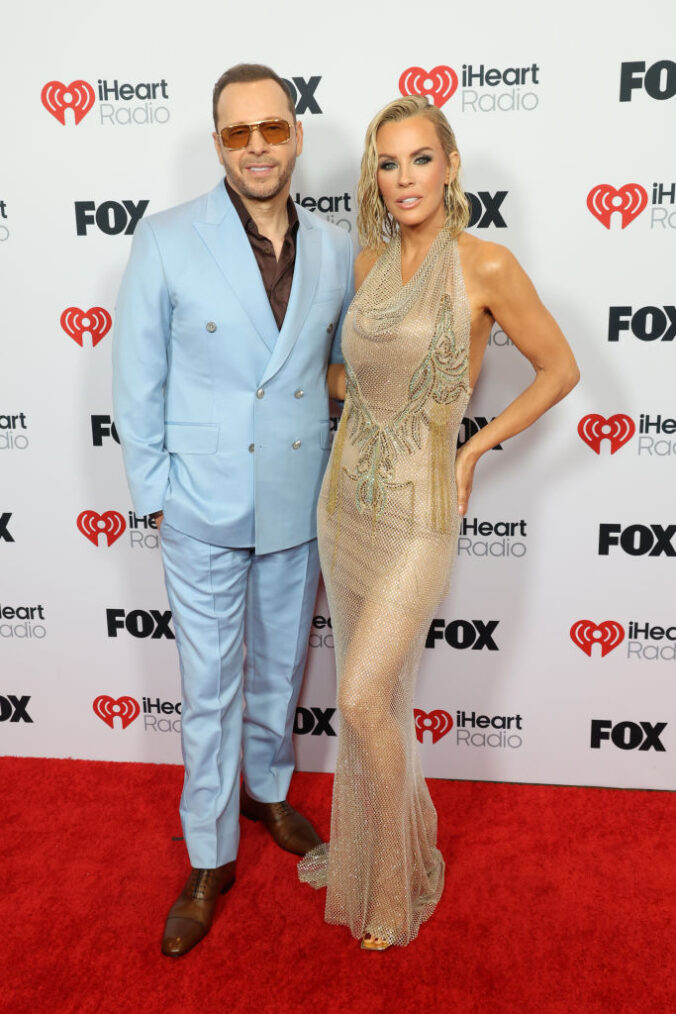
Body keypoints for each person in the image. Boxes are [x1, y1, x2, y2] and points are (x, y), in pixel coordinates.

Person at [298, 95, 579, 950]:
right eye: (388, 163)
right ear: (374, 178)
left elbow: (559, 369)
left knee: (359, 698)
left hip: (420, 514)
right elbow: (351, 374)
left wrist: (471, 448)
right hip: (345, 502)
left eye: (421, 158)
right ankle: (380, 849)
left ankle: (396, 880)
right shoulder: (369, 261)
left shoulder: (486, 265)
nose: (404, 177)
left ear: (451, 165)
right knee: (373, 697)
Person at [112, 63, 353, 957]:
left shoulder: (334, 248)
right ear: (218, 143)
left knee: (280, 668)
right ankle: (210, 856)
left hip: (298, 498)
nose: (258, 146)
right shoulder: (168, 239)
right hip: (202, 504)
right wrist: (160, 500)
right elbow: (136, 385)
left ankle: (267, 789)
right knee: (207, 690)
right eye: (238, 132)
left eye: (274, 128)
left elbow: (338, 368)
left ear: (296, 134)